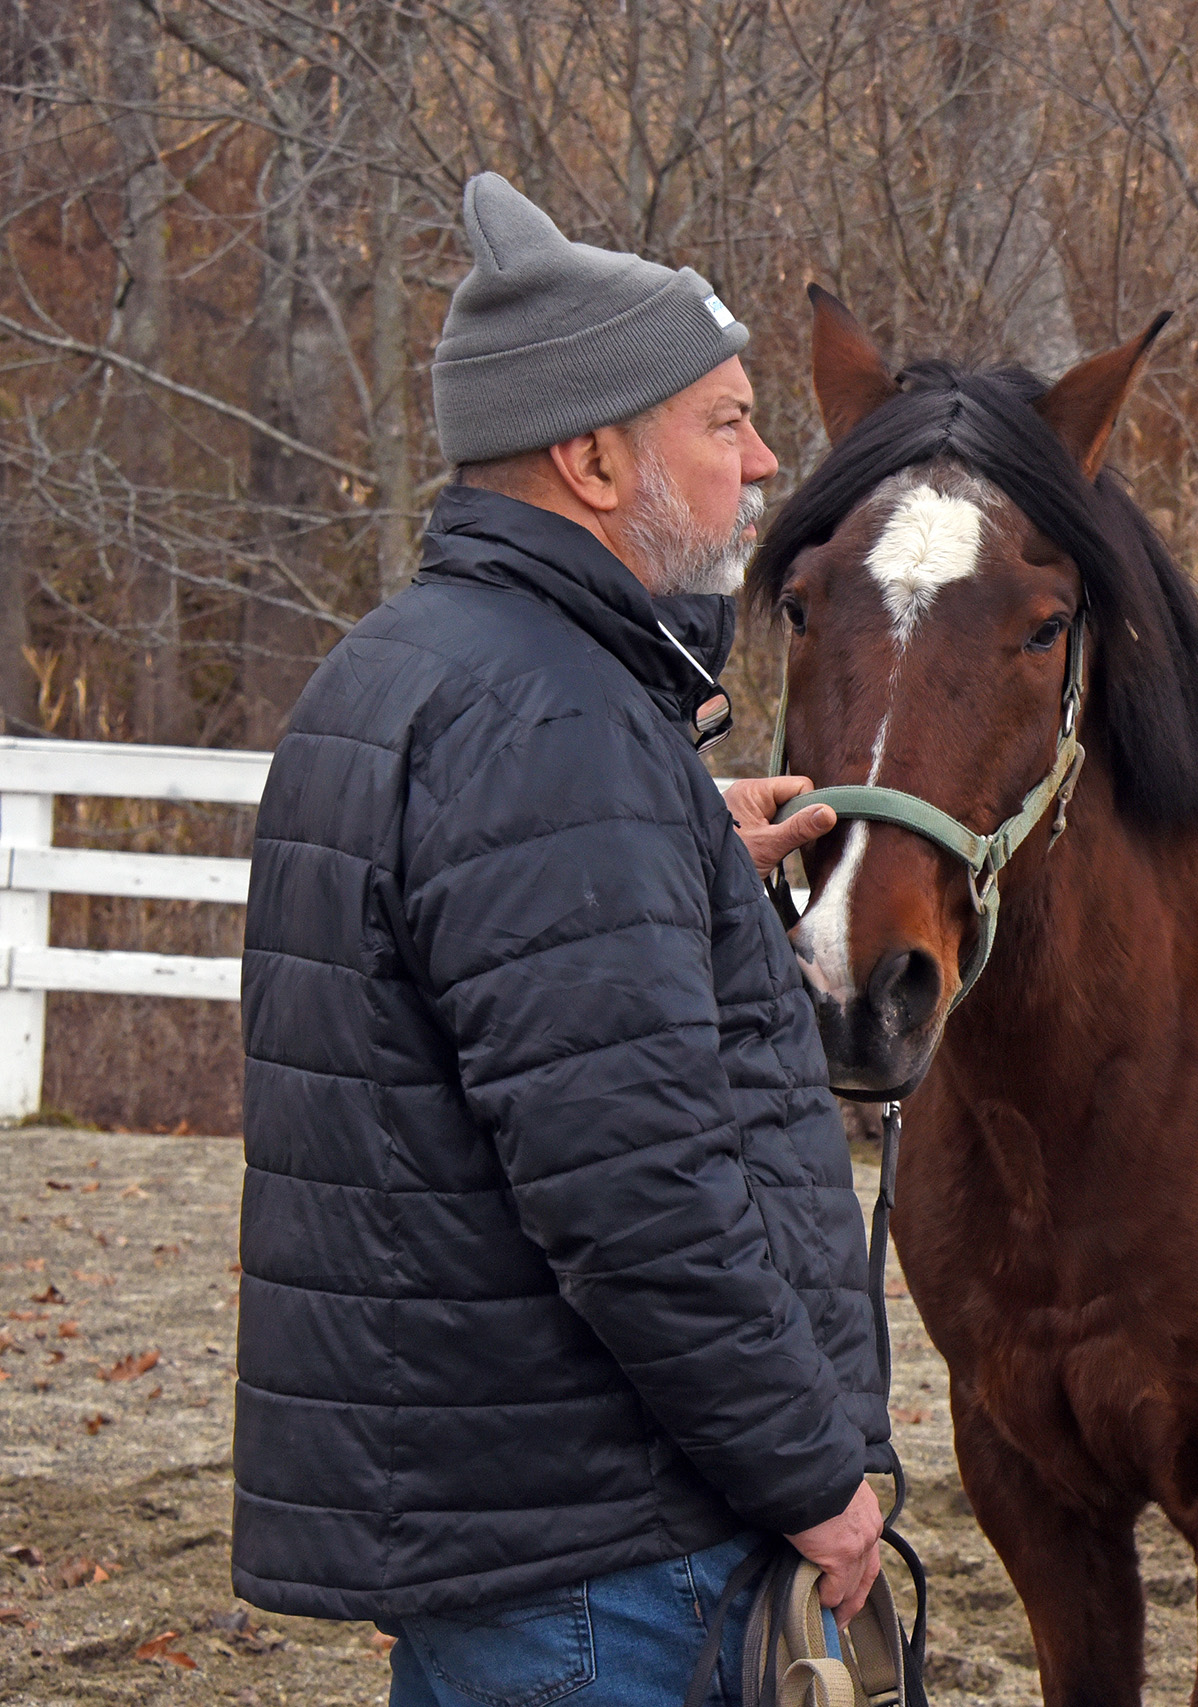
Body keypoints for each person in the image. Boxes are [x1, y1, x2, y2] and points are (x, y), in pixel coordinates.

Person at [236, 173, 887, 1706]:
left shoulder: (416, 668)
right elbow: (635, 1184)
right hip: (608, 1557)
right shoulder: (554, 724)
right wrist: (813, 1472)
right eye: (724, 423)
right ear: (595, 456)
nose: (765, 461)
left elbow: (470, 982)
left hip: (515, 1531)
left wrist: (670, 843)